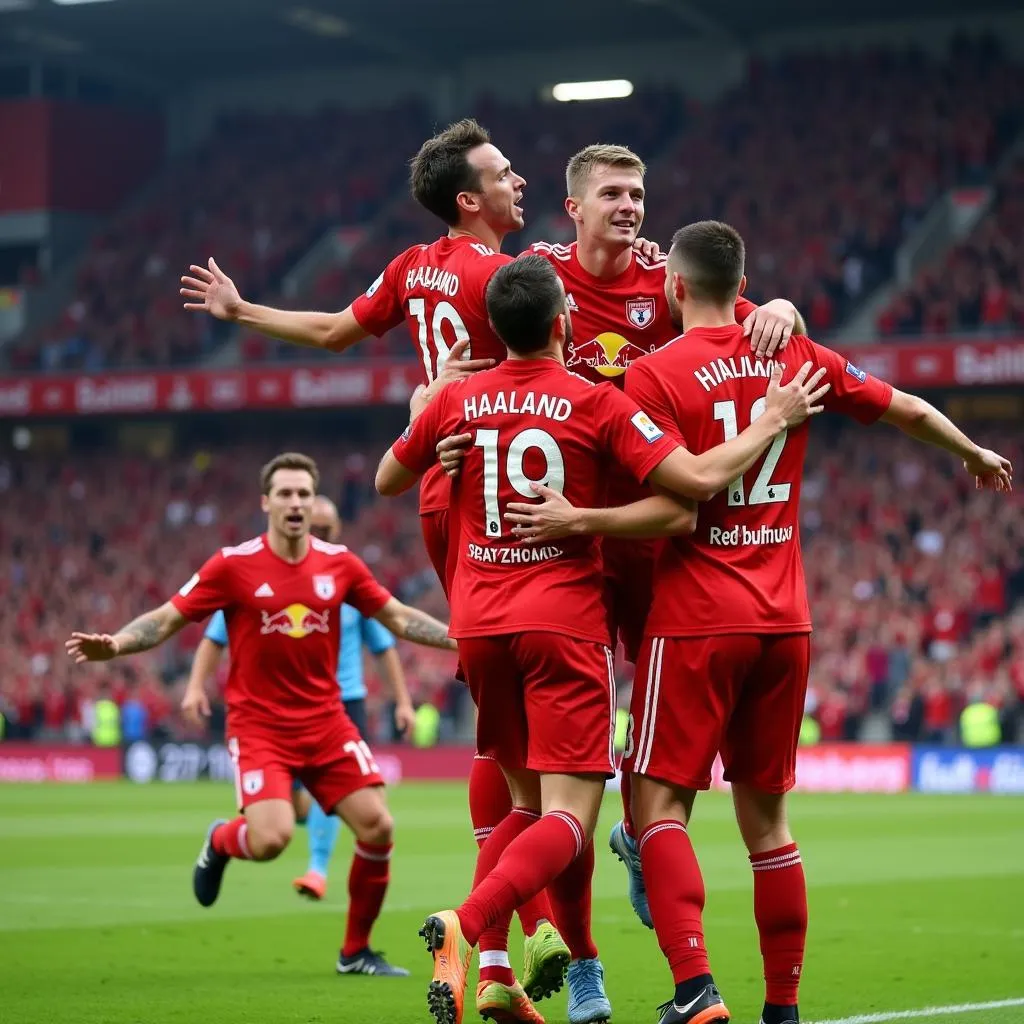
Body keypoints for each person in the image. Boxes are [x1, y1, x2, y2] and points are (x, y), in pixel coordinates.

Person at [503, 222, 1012, 1024]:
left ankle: (696, 989)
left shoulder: (655, 375)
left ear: (672, 287)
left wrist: (579, 520)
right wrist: (971, 451)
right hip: (787, 619)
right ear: (742, 285)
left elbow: (675, 511)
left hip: (699, 618)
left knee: (657, 810)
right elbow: (906, 407)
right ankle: (783, 1008)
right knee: (770, 823)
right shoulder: (796, 358)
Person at [374, 254, 829, 1024]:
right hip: (563, 624)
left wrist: (442, 439)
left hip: (481, 627)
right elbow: (687, 494)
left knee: (520, 805)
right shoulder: (594, 403)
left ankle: (494, 972)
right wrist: (768, 420)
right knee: (568, 819)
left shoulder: (457, 399)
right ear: (564, 324)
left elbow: (390, 477)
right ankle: (469, 922)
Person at [529, 143, 805, 930]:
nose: (629, 206)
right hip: (571, 533)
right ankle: (580, 941)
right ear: (575, 205)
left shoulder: (668, 279)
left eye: (638, 193)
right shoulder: (542, 273)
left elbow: (752, 324)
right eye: (613, 192)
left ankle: (638, 836)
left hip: (661, 527)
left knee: (655, 715)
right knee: (574, 724)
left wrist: (784, 307)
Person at [66, 452, 459, 978]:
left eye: (303, 494)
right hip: (259, 728)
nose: (295, 503)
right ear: (266, 503)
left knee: (378, 826)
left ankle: (355, 952)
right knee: (271, 839)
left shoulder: (340, 564)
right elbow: (166, 619)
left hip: (326, 722)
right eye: (285, 494)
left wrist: (460, 637)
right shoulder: (232, 565)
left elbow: (398, 617)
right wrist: (115, 644)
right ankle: (220, 840)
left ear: (312, 501)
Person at [185, 494, 415, 902]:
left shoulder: (348, 577)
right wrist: (194, 686)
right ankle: (225, 840)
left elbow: (384, 644)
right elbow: (215, 635)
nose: (321, 533)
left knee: (360, 812)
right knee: (283, 822)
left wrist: (401, 700)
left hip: (343, 705)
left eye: (328, 529)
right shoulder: (263, 579)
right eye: (318, 527)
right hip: (276, 711)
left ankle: (318, 870)